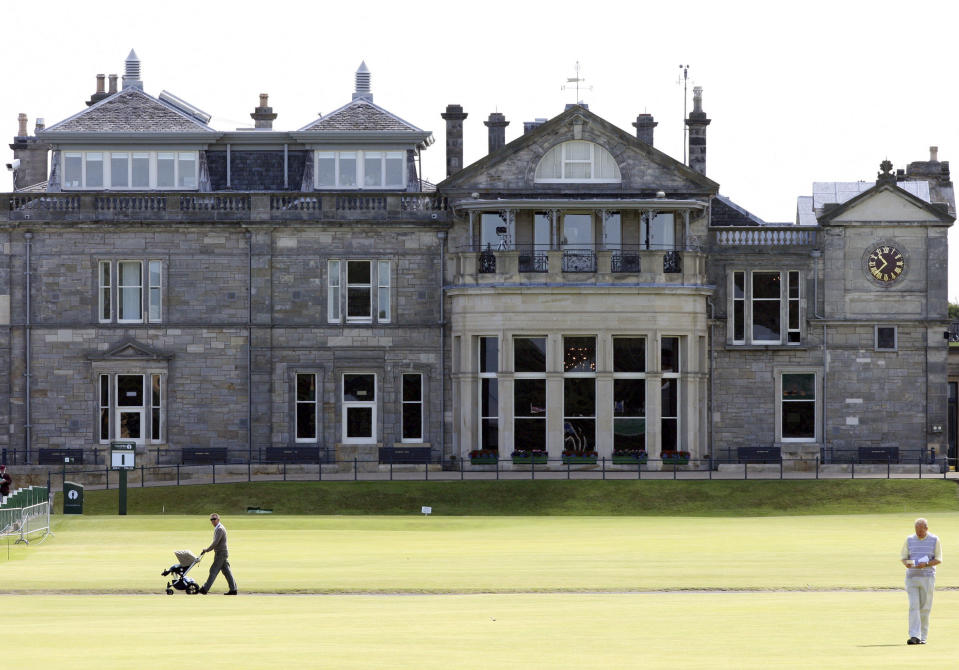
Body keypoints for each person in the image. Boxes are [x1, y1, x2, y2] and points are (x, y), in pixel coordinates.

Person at [900, 517, 942, 644]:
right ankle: (914, 636)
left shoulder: (935, 540)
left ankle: (923, 637)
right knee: (914, 606)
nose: (918, 533)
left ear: (926, 529)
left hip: (927, 577)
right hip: (912, 577)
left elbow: (939, 559)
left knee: (924, 608)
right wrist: (907, 563)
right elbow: (903, 557)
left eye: (921, 530)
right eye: (916, 530)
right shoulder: (909, 539)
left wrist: (927, 563)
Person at [199, 513, 237, 595]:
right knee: (227, 571)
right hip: (221, 553)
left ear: (218, 519)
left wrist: (207, 549)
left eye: (214, 519)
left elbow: (215, 542)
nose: (213, 521)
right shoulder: (218, 528)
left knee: (213, 570)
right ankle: (233, 589)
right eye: (211, 520)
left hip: (221, 553)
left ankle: (205, 589)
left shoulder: (220, 529)